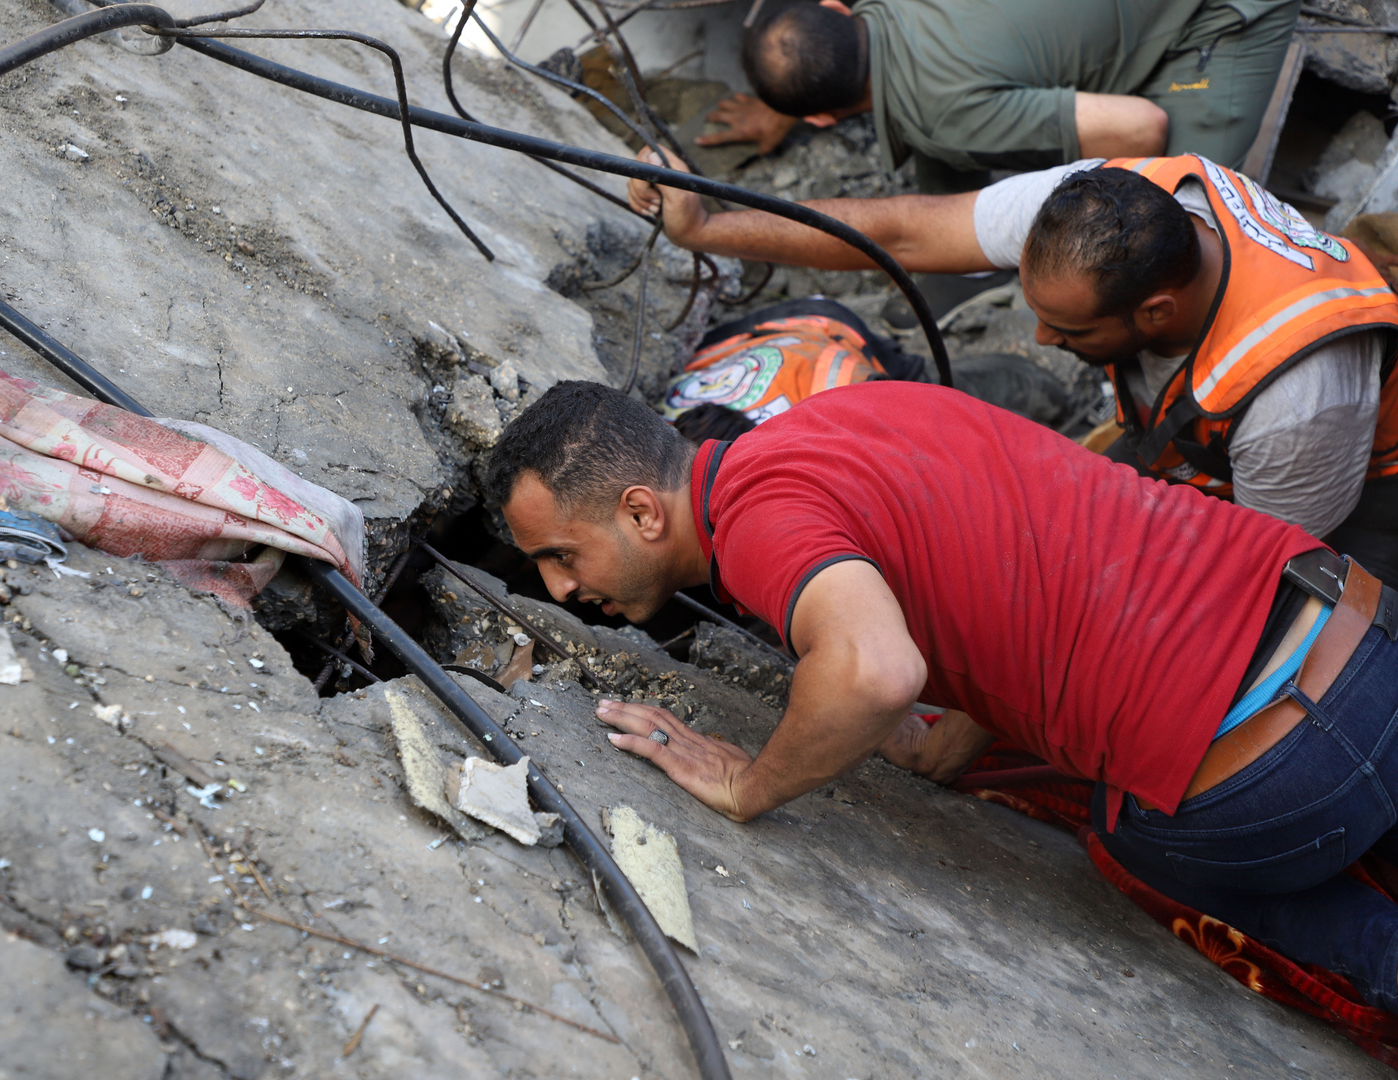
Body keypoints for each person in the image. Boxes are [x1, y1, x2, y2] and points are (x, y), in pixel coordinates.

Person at [486, 377, 1398, 1016]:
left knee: (1124, 842)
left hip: (1273, 780)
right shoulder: (851, 415)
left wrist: (749, 784)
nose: (562, 591)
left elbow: (877, 674)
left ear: (644, 513)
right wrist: (943, 748)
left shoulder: (759, 526)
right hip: (1365, 635)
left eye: (561, 556)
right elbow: (1017, 563)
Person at [630, 153, 1398, 582]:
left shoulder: (1298, 399)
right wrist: (708, 226)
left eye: (1067, 327)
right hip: (1208, 448)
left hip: (1354, 499)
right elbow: (904, 233)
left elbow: (1253, 577)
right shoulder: (1114, 202)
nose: (1036, 337)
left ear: (1157, 314)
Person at [698, 0, 1302, 329]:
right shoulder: (883, 22)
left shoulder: (946, 111)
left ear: (823, 118)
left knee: (1164, 212)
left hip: (1220, 16)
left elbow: (1140, 126)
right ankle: (967, 275)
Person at [665, 296, 1076, 441]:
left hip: (821, 331)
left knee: (1028, 397)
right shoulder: (662, 435)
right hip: (759, 340)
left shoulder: (831, 413)